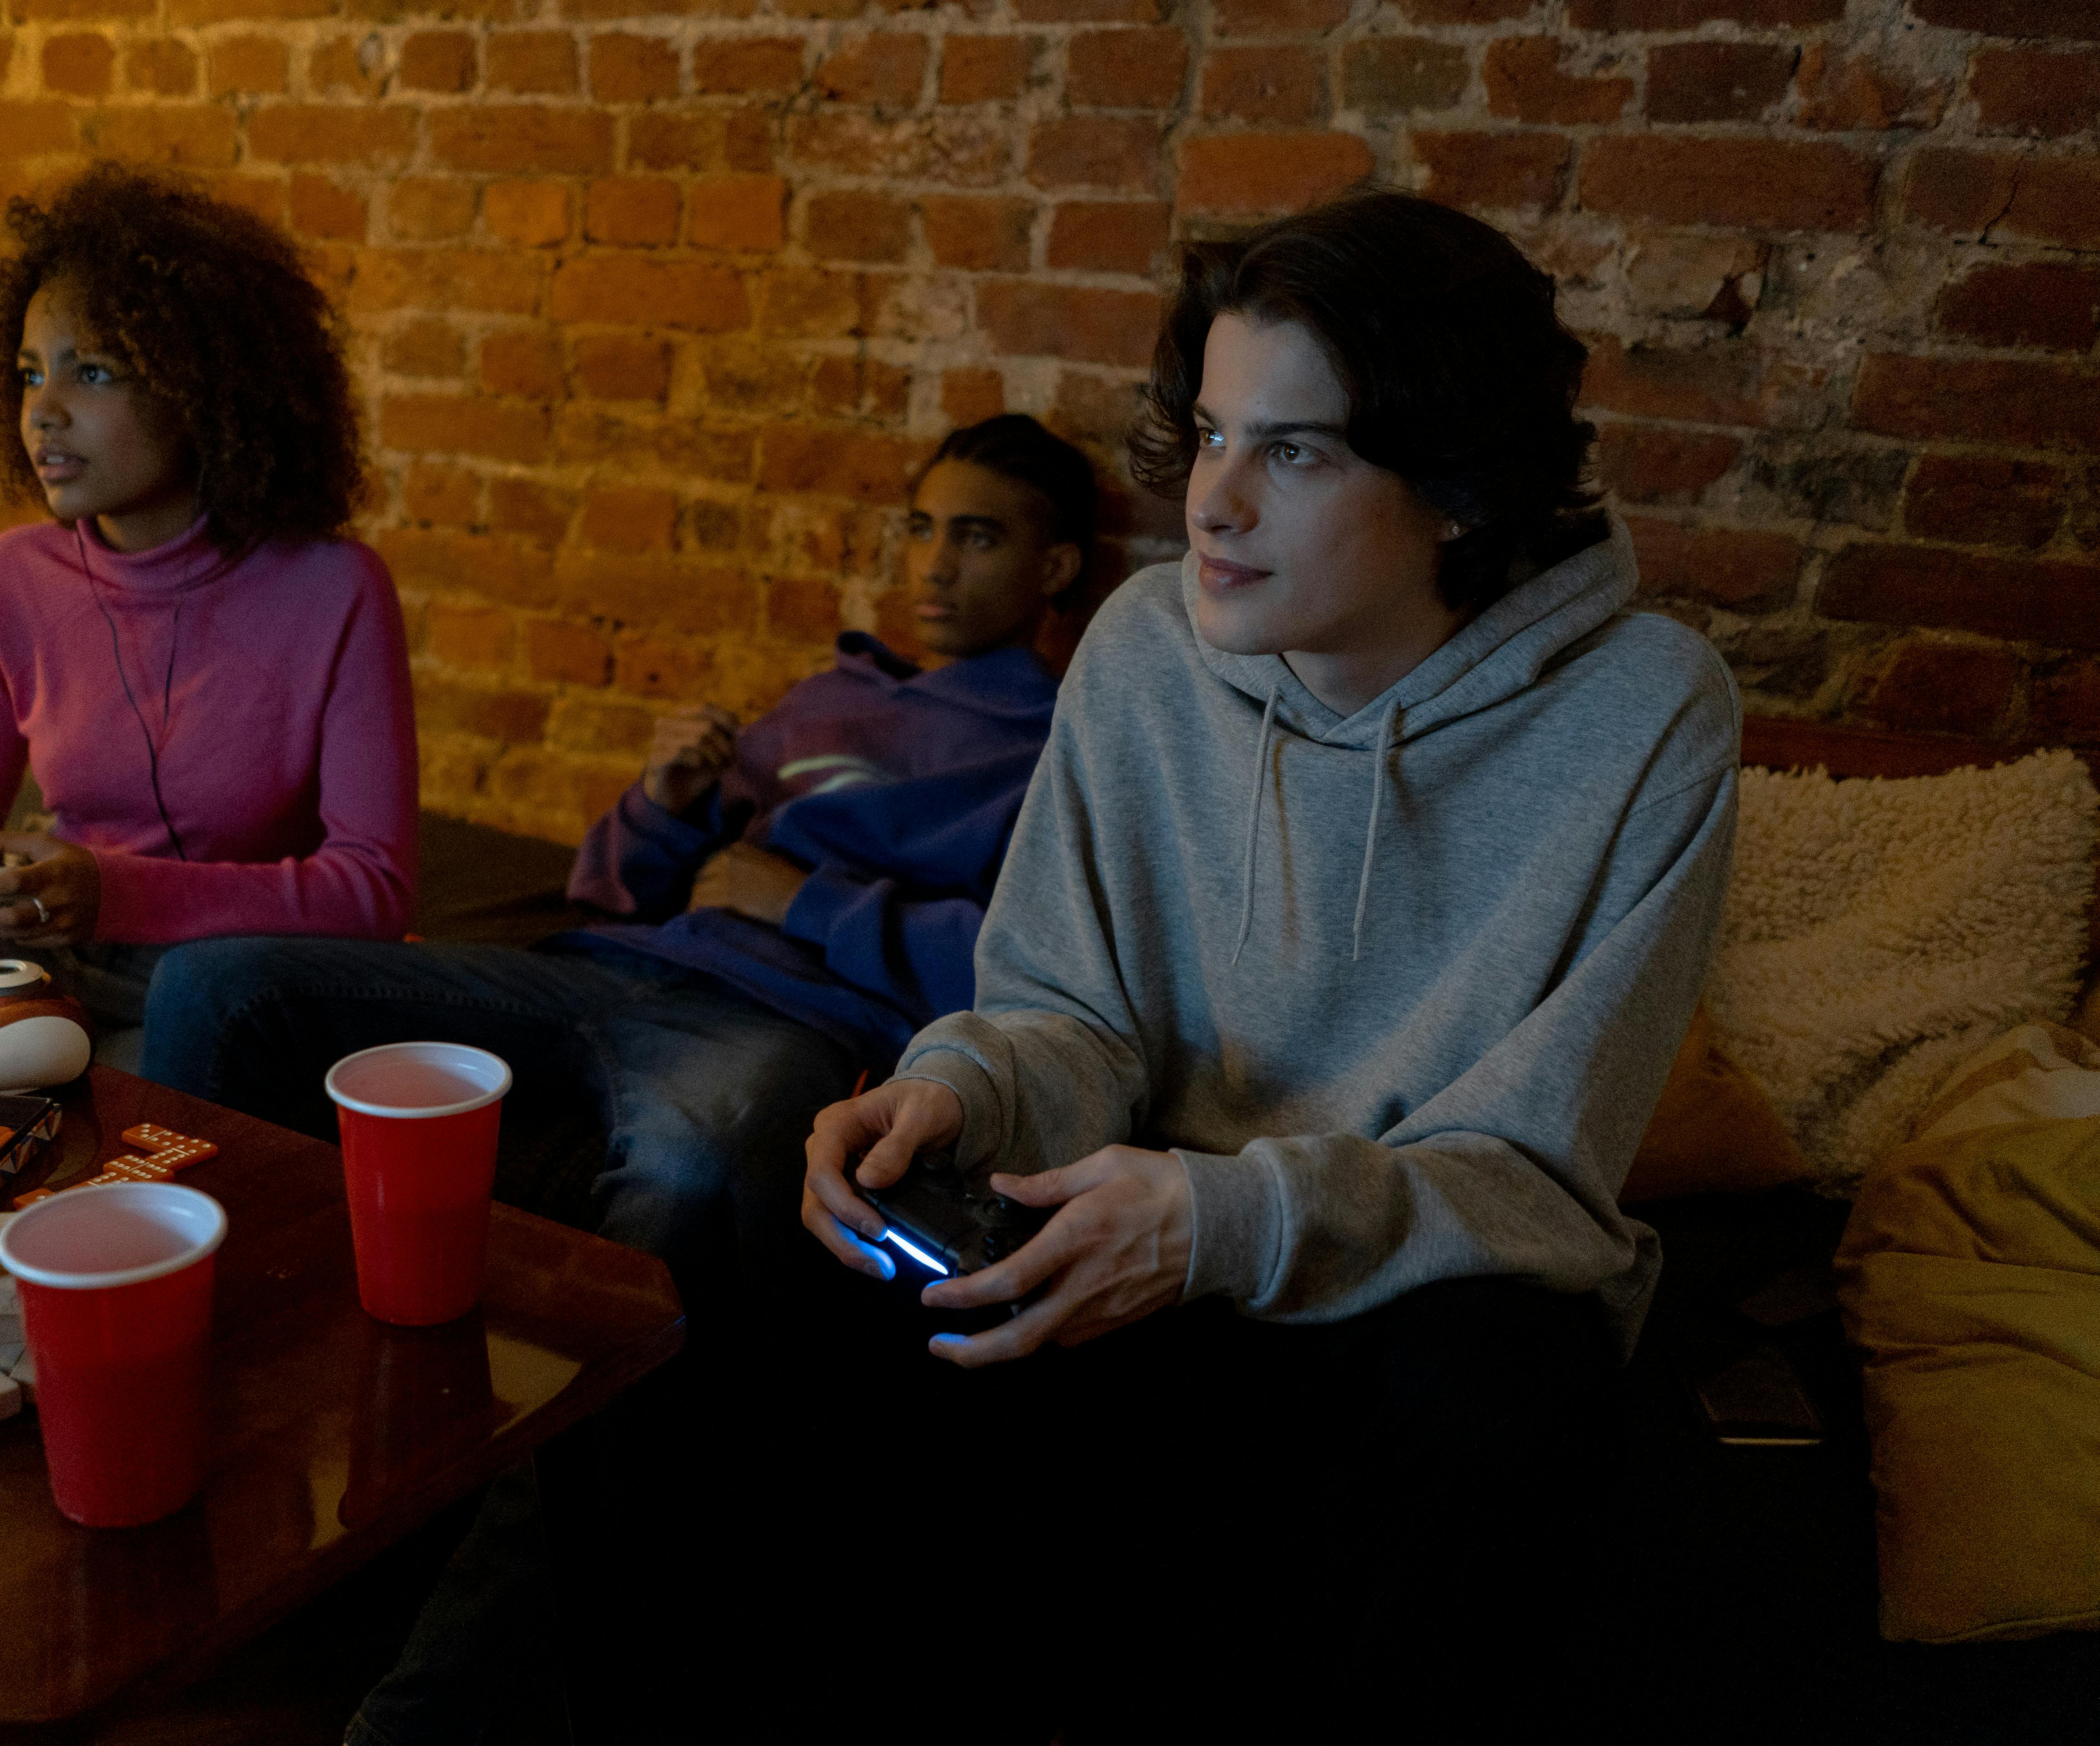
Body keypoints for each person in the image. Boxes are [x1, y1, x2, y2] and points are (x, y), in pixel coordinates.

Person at [796, 193, 1740, 1739]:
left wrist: (1227, 1220)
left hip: (1429, 1260)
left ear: (1450, 485)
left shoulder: (1646, 714)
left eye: (1291, 451)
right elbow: (1070, 1013)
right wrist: (958, 1089)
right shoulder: (1141, 644)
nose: (1209, 504)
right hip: (1148, 1199)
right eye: (1209, 432)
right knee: (843, 1298)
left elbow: (1533, 1174)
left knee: (1506, 1408)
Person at [135, 413, 1098, 1746]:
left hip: (779, 1022)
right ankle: (202, 1527)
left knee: (695, 1176)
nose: (934, 565)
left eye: (978, 535)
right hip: (609, 972)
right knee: (220, 990)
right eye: (920, 528)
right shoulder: (826, 697)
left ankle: (445, 1705)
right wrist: (660, 800)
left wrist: (804, 896)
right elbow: (614, 886)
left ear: (1058, 571)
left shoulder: (1059, 743)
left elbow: (1020, 969)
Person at [0, 164, 415, 1112]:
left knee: (168, 1044)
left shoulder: (334, 590)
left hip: (234, 969)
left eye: (91, 371)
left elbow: (374, 888)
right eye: (28, 374)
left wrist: (116, 890)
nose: (42, 412)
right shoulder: (17, 576)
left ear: (205, 388)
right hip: (47, 952)